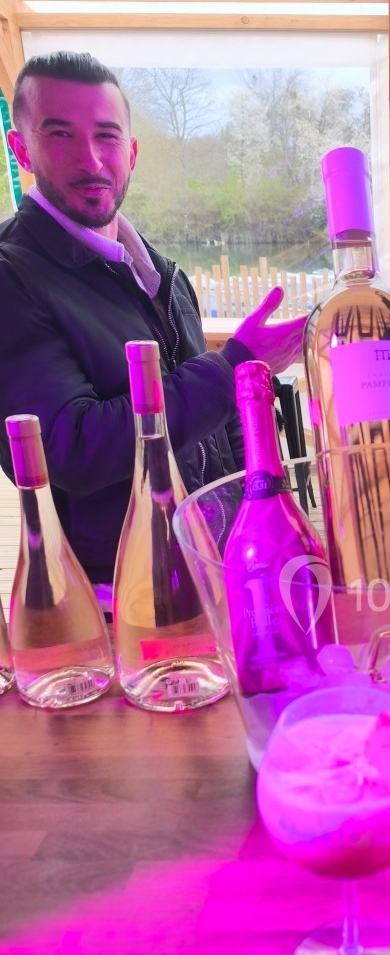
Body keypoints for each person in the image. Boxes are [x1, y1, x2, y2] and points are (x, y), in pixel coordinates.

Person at [0, 50, 306, 590]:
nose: (91, 159)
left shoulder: (159, 271)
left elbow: (223, 420)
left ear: (132, 152)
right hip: (114, 594)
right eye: (61, 134)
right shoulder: (11, 277)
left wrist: (247, 521)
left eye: (107, 135)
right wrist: (231, 365)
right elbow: (68, 447)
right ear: (20, 147)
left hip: (215, 565)